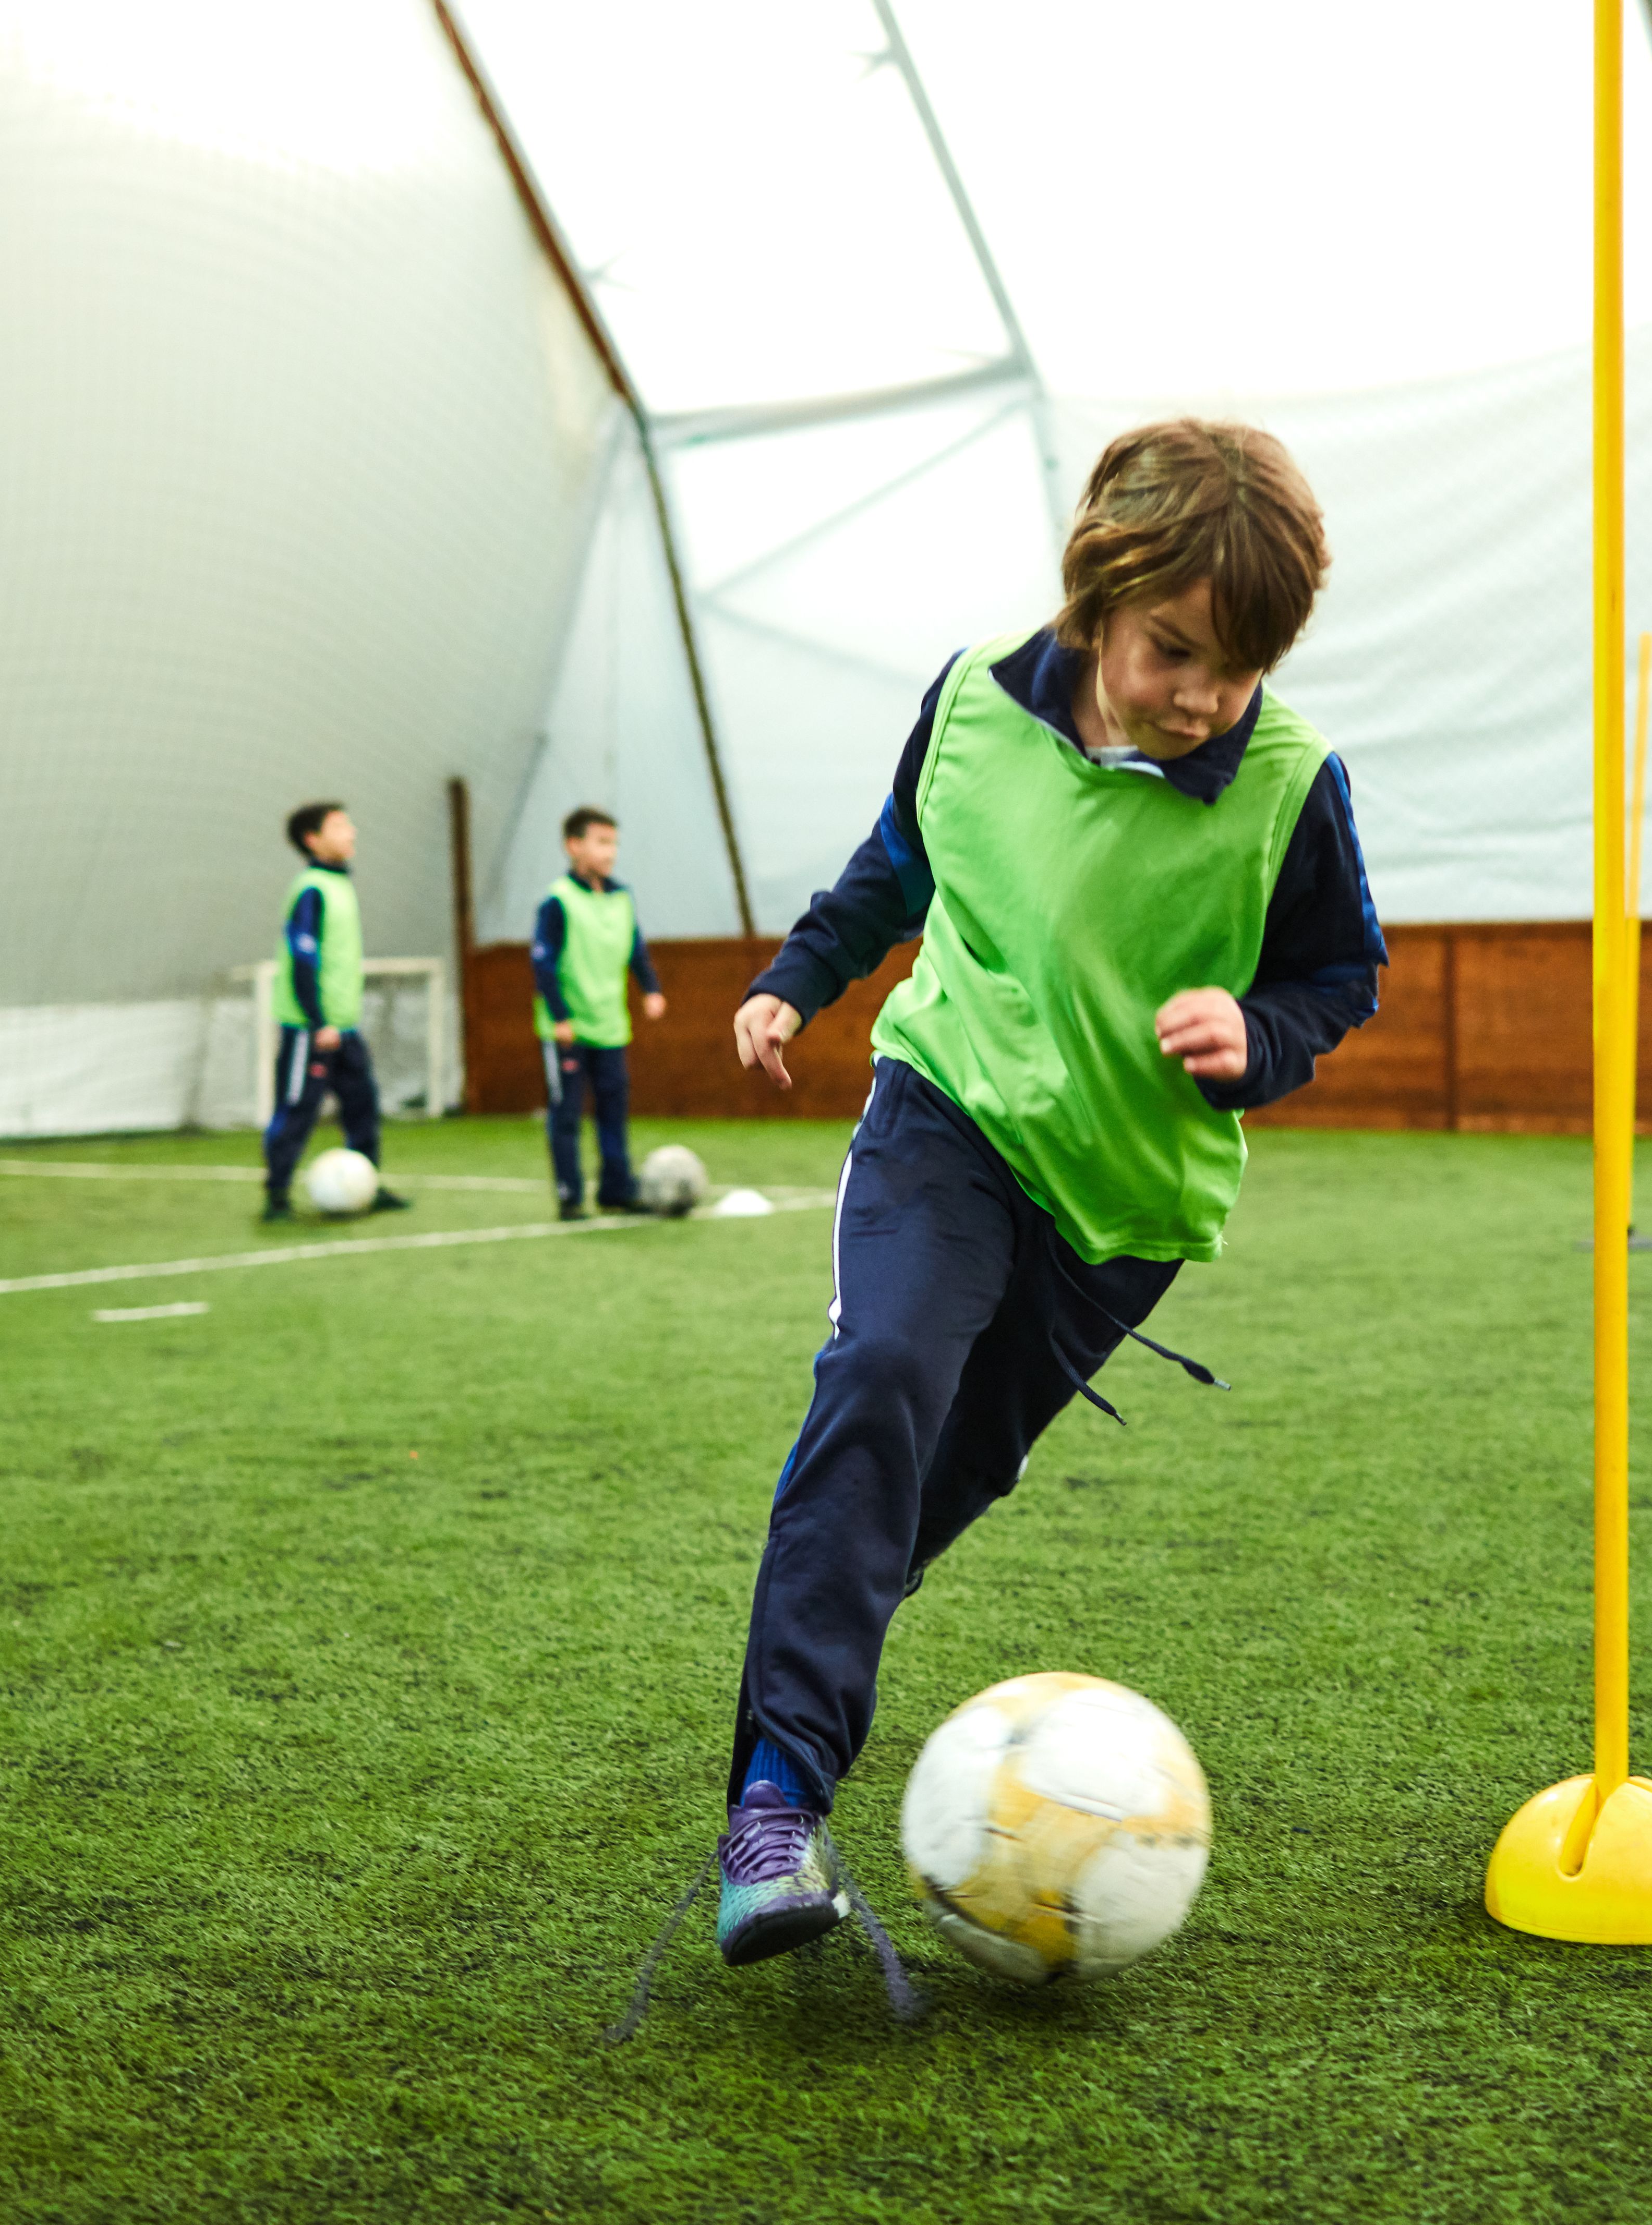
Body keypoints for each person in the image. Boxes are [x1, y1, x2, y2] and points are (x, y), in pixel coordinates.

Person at [705, 420, 1384, 1965]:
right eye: (1177, 650)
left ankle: (797, 1699)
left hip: (1120, 1208)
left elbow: (1339, 973)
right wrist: (798, 979)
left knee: (931, 1489)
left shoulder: (1289, 785)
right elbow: (901, 867)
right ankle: (776, 1805)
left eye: (1245, 663)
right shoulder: (970, 707)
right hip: (947, 1108)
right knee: (878, 1379)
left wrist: (1256, 1034)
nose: (1209, 694)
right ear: (1098, 593)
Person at [262, 802, 412, 1223]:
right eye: (340, 826)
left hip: (344, 1026)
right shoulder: (311, 889)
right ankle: (276, 1195)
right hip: (312, 1028)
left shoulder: (341, 885)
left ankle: (368, 1181)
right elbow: (303, 960)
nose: (352, 832)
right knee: (296, 1109)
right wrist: (317, 1021)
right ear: (313, 839)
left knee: (362, 1103)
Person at [530, 807, 667, 1223]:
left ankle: (616, 1189)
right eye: (602, 842)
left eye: (614, 844)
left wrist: (651, 989)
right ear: (574, 846)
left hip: (611, 1027)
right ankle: (570, 1194)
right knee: (567, 1113)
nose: (611, 852)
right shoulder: (558, 901)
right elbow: (543, 962)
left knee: (613, 1110)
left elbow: (636, 948)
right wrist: (560, 1016)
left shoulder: (621, 898)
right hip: (569, 1030)